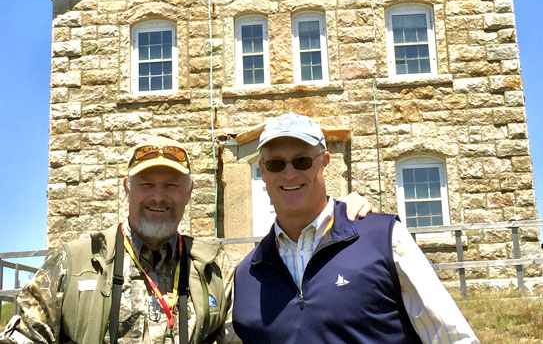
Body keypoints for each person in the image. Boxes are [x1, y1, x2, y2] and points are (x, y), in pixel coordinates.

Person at [1, 133, 373, 344]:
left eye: (171, 185)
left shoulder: (215, 270)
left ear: (190, 191)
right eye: (146, 184)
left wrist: (335, 215)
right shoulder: (73, 262)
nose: (158, 196)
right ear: (126, 190)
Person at [233, 113, 481, 344]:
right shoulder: (248, 274)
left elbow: (453, 338)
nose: (289, 173)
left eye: (302, 161)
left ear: (325, 164)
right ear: (263, 171)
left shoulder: (383, 240)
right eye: (276, 164)